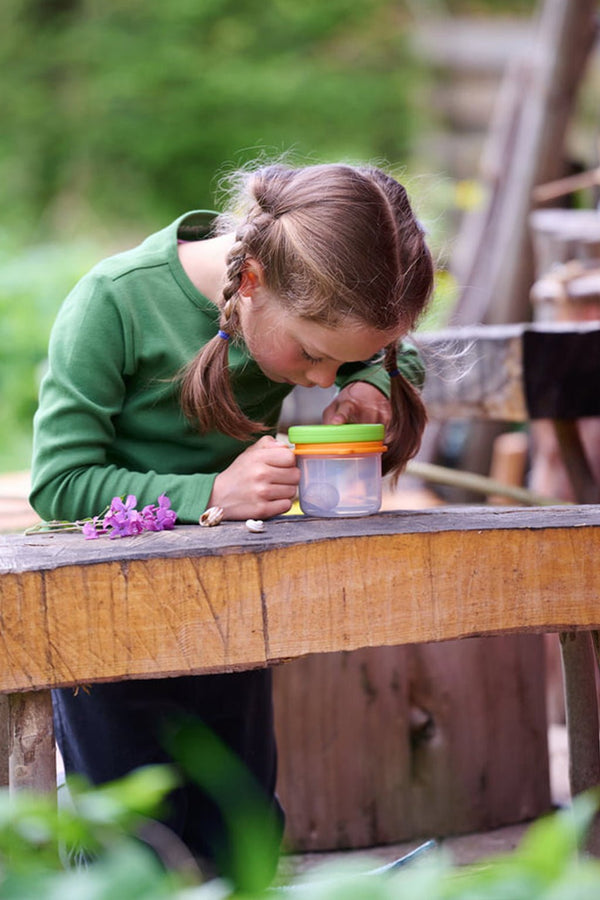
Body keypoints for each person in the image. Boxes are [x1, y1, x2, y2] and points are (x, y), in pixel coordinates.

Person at [29, 161, 434, 877]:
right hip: (107, 618)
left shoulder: (299, 296)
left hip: (230, 610)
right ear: (250, 285)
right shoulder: (115, 303)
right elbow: (59, 485)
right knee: (130, 843)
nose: (318, 380)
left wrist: (370, 381)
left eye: (341, 361)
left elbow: (404, 355)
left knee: (241, 824)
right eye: (313, 355)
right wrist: (211, 493)